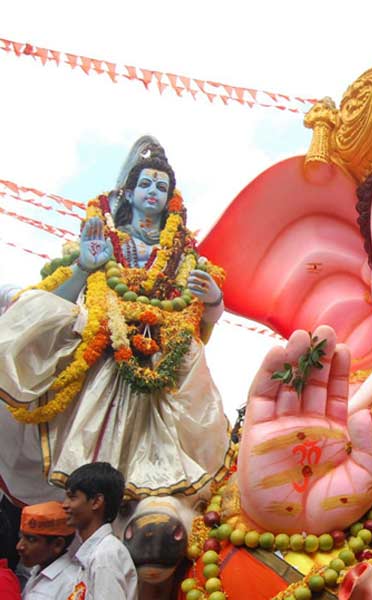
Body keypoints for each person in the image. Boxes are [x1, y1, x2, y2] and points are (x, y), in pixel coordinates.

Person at [0, 139, 230, 503]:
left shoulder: (183, 254)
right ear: (130, 191)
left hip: (157, 362)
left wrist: (213, 297)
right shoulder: (102, 240)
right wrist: (85, 266)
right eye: (145, 184)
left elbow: (205, 317)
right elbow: (59, 296)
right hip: (102, 354)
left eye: (161, 187)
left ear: (171, 199)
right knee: (88, 458)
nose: (152, 192)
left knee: (151, 463)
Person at [62, 463, 136, 600]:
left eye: (72, 497)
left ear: (96, 502)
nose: (64, 505)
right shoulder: (97, 552)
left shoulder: (105, 555)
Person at [16, 501, 79, 599]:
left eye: (31, 539)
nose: (20, 546)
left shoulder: (70, 584)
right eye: (21, 536)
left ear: (57, 544)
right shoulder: (37, 570)